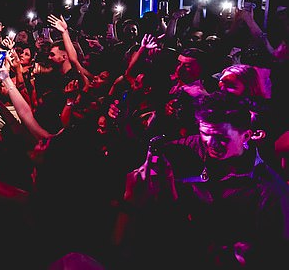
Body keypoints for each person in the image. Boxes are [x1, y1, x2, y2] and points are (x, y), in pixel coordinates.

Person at [113, 90, 289, 269]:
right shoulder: (195, 145)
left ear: (246, 135)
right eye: (205, 133)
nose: (210, 144)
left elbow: (274, 255)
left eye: (221, 138)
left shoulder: (271, 192)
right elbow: (143, 159)